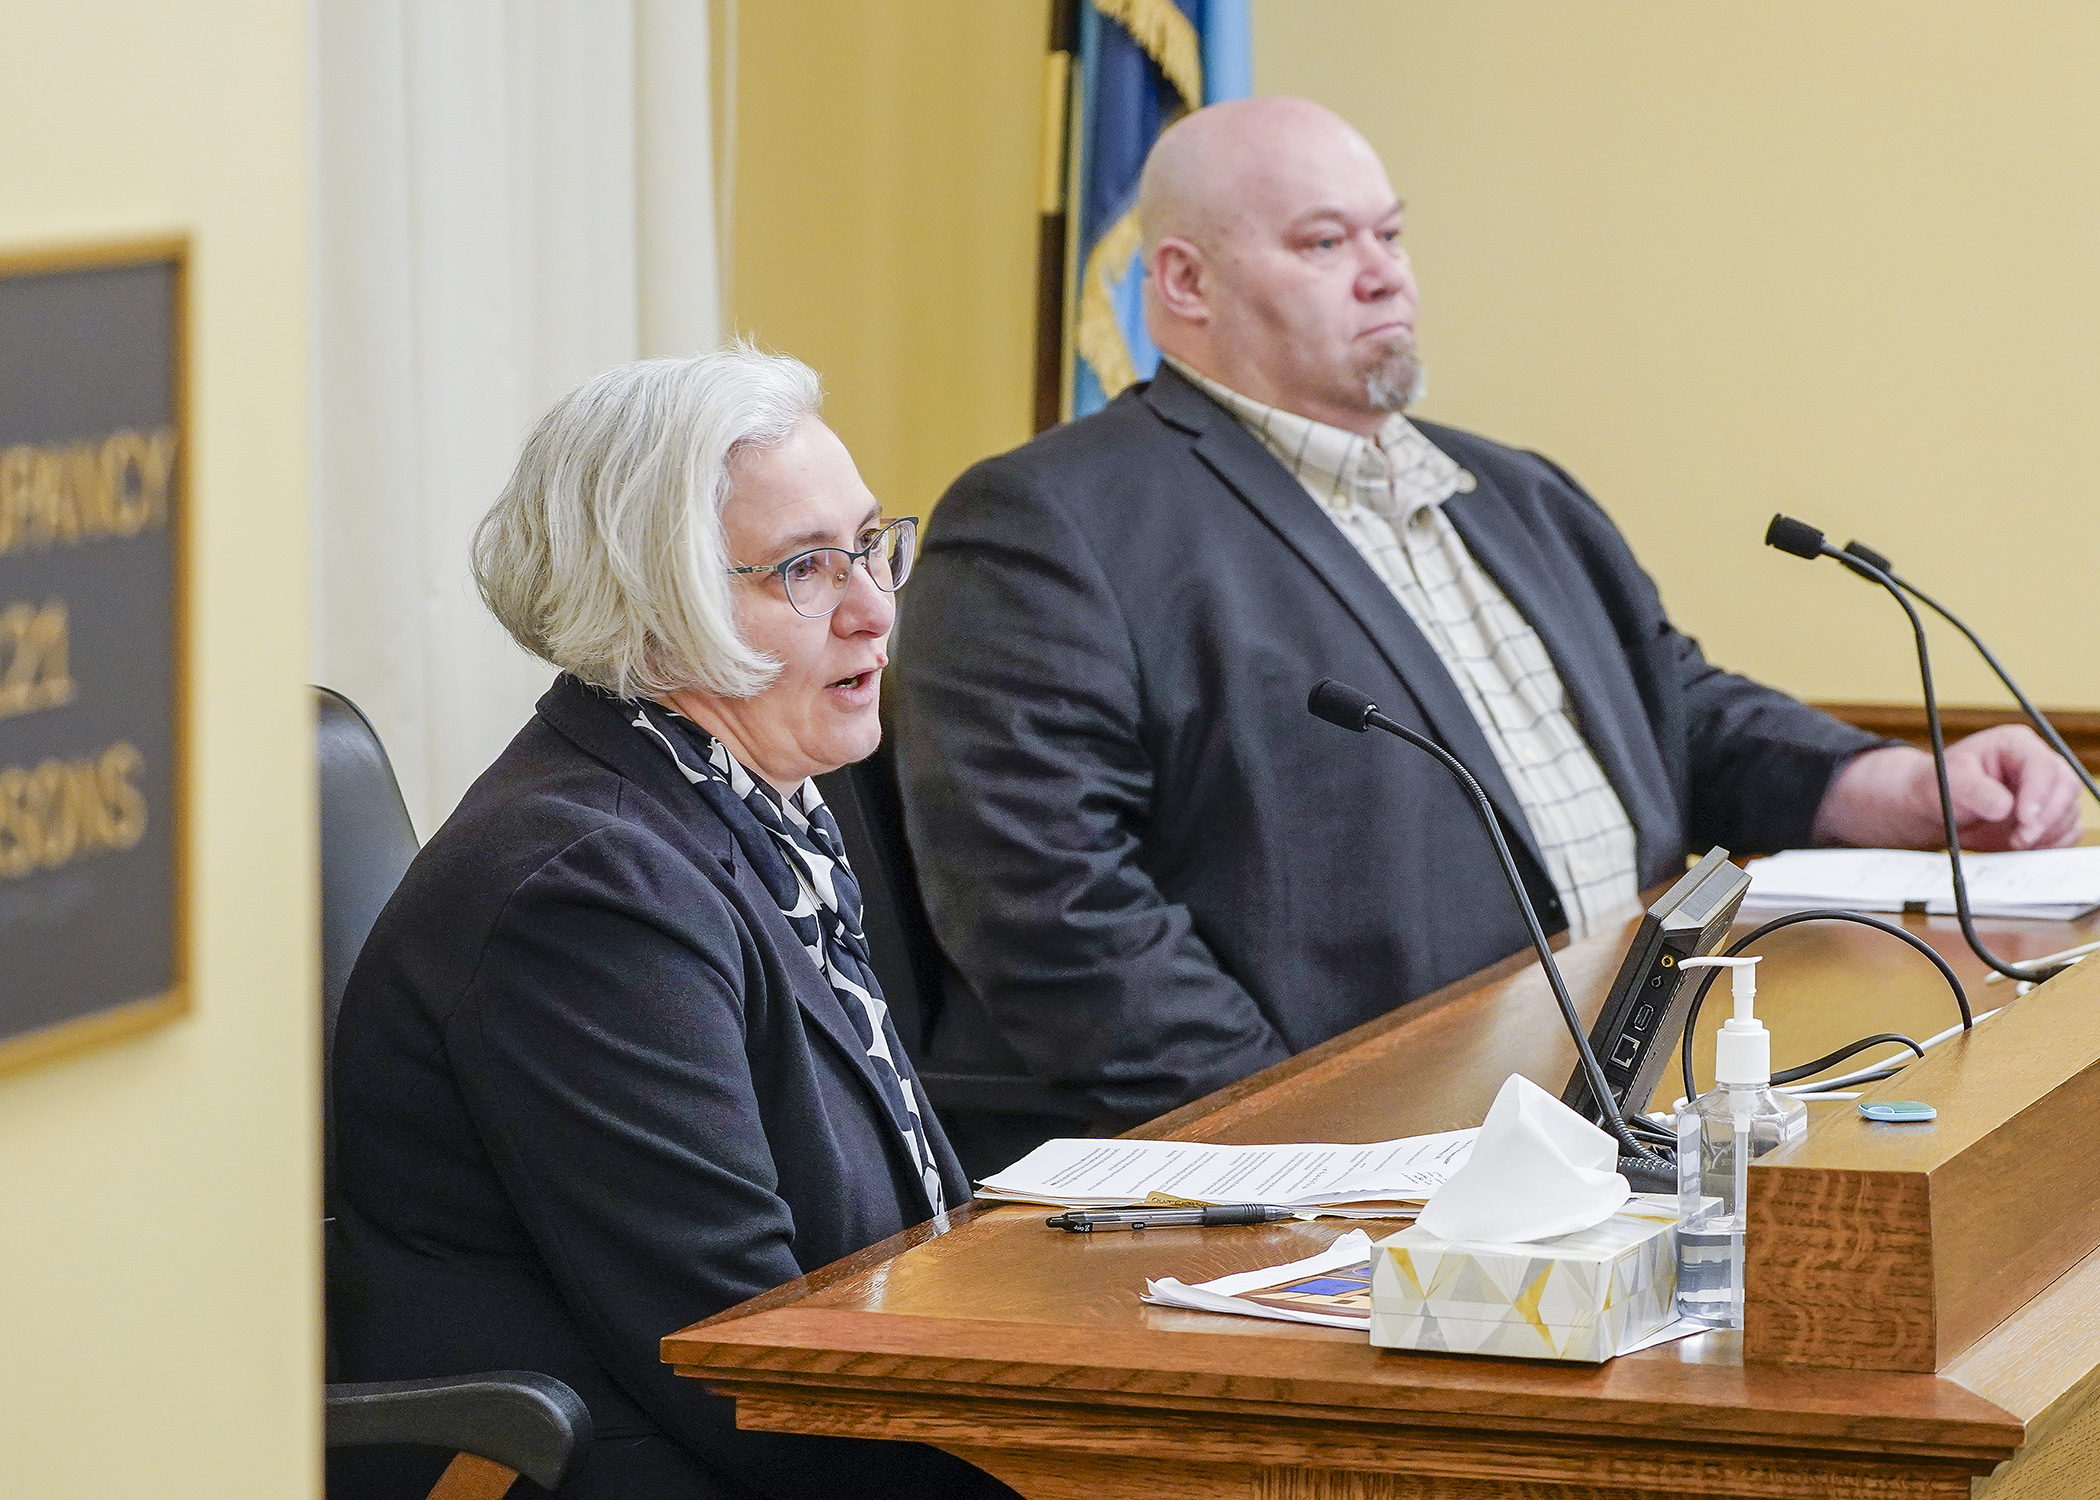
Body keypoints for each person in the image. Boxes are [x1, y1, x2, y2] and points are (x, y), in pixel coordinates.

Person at [888, 97, 2085, 1177]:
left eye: (1391, 235)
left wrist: (1884, 783)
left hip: (1615, 1104)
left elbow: (1675, 705)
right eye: (1324, 243)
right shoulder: (1054, 520)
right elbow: (1047, 899)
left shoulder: (1512, 490)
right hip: (1347, 1161)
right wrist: (1290, 1132)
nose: (1384, 276)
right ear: (1186, 284)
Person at [328, 347, 1014, 1499]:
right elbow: (736, 1356)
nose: (871, 608)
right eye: (802, 569)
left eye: (868, 546)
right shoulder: (587, 891)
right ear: (652, 617)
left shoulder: (757, 803)